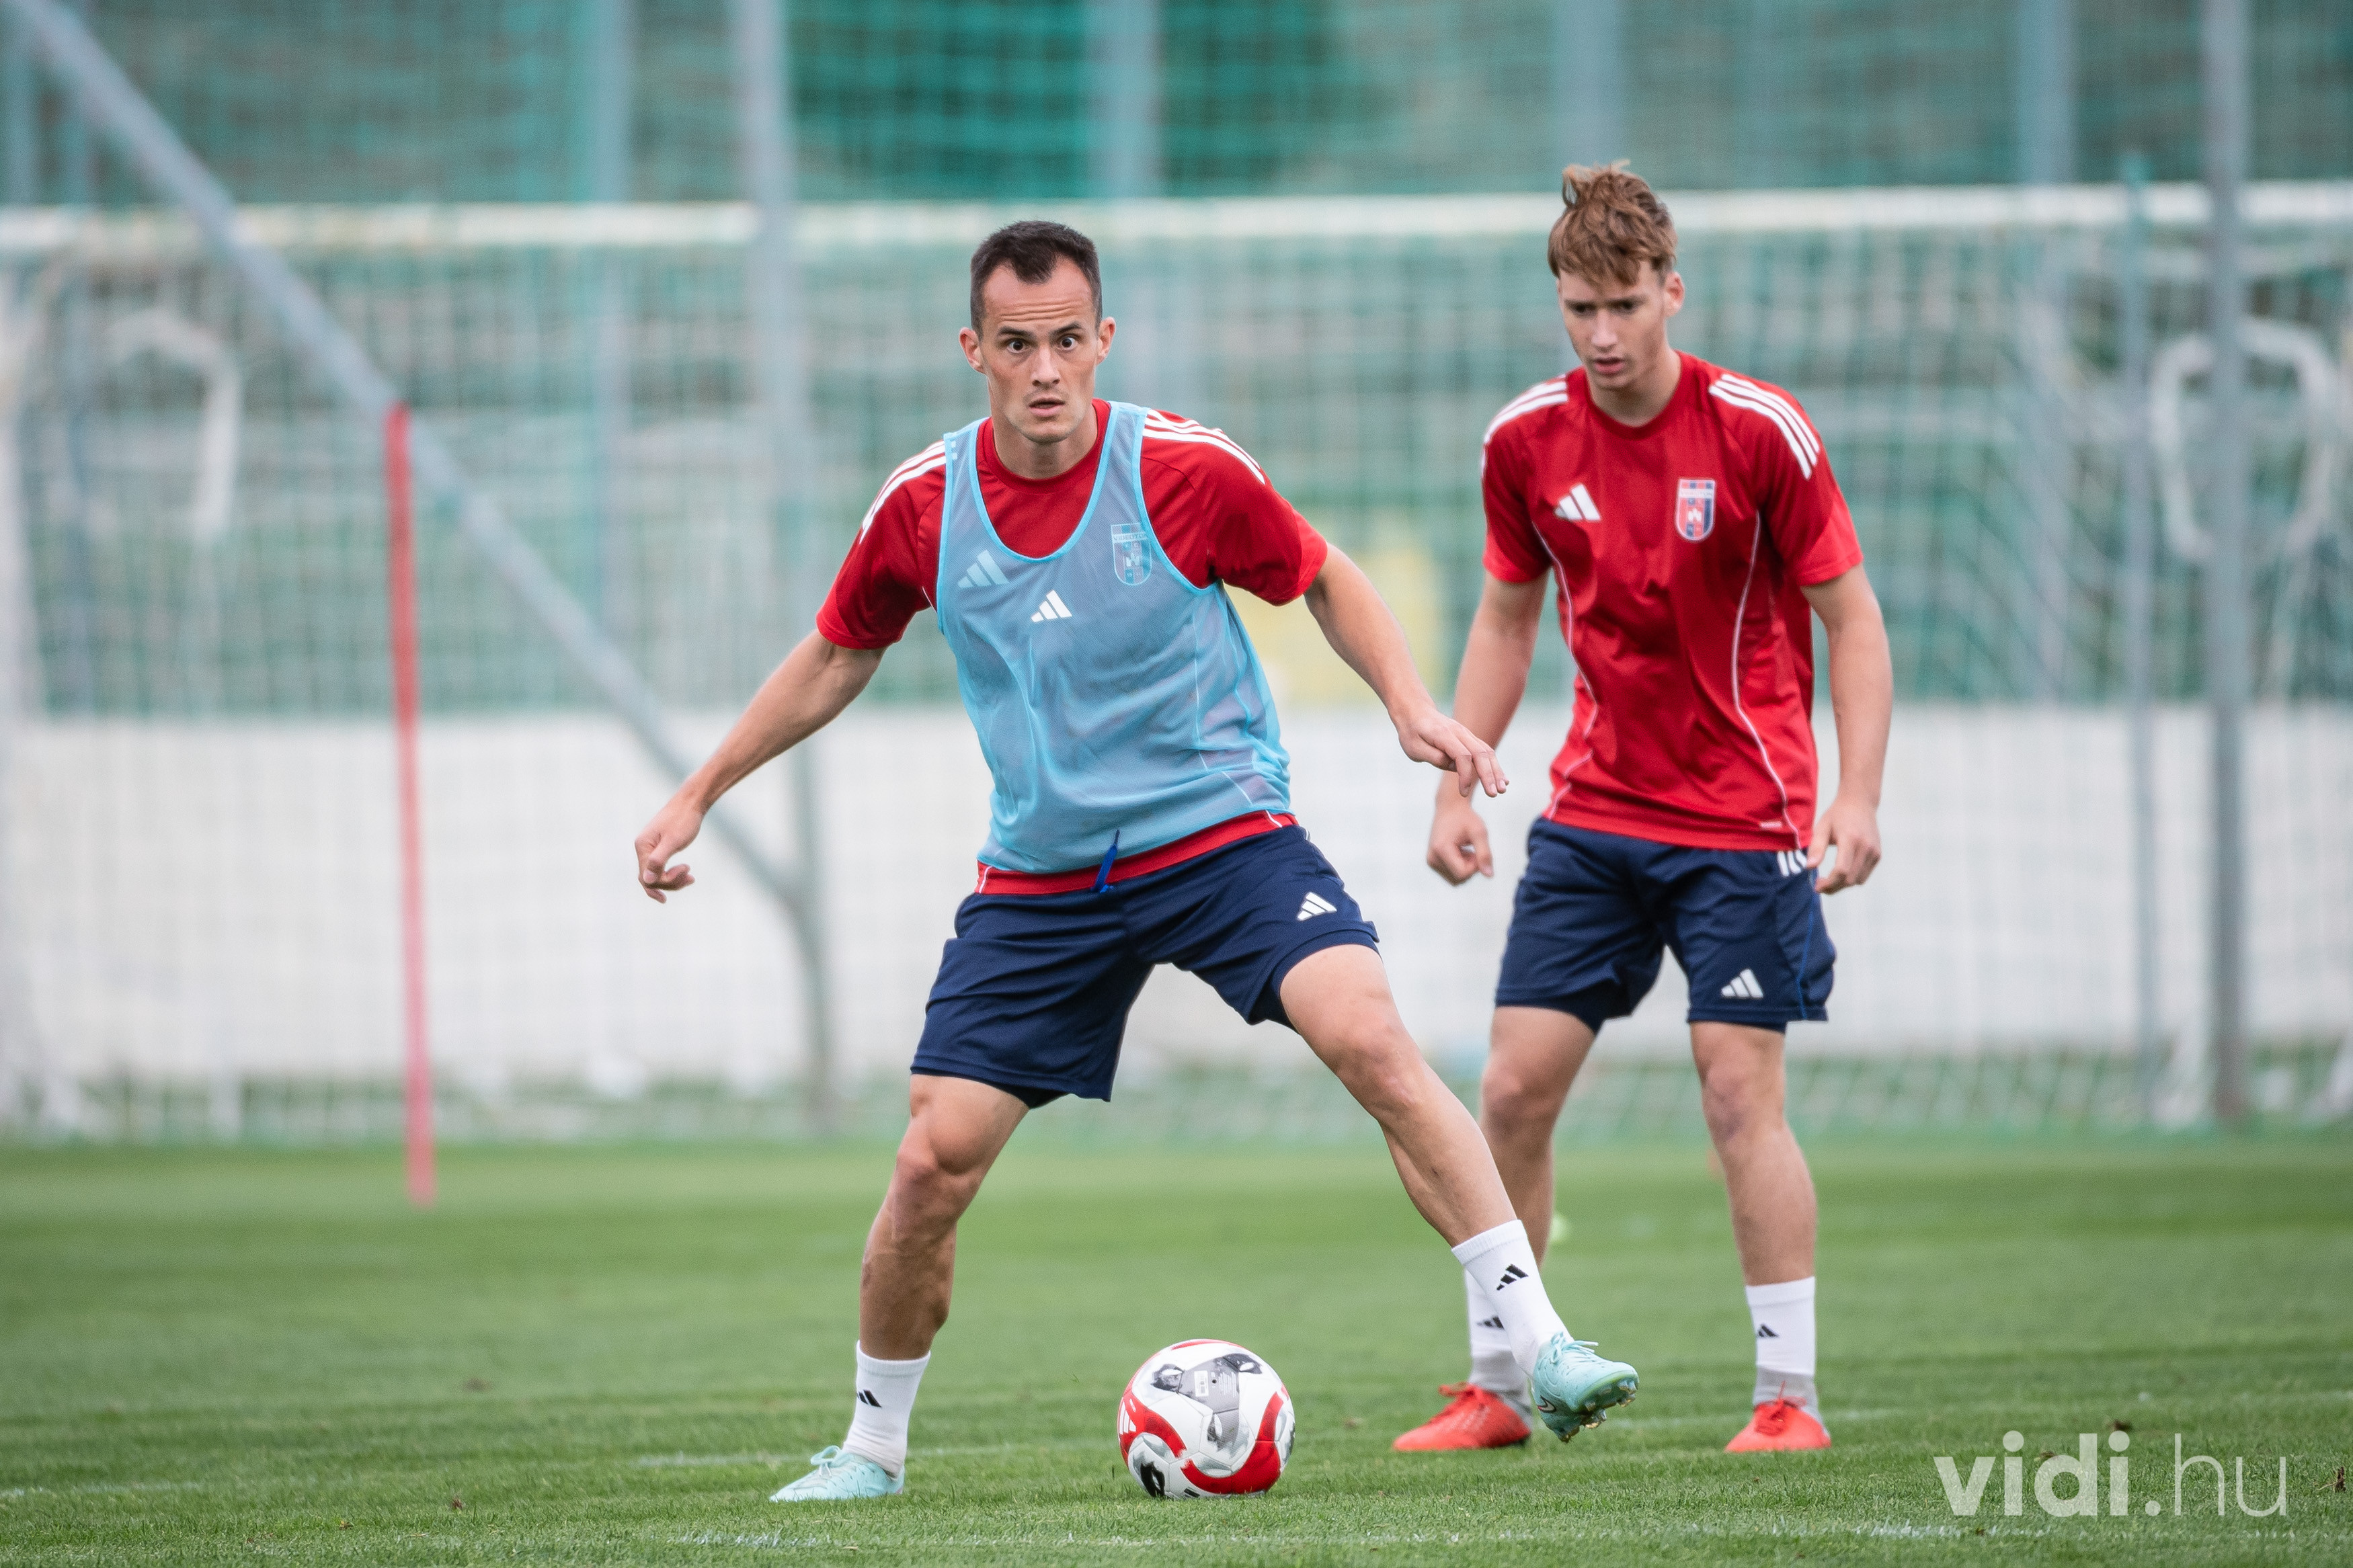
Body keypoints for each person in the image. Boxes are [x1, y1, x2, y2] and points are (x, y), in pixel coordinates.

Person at [633, 220, 1641, 1501]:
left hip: (1220, 835)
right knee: (931, 1162)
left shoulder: (1182, 469)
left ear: (1104, 339)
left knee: (1372, 1039)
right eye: (1017, 346)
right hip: (1044, 878)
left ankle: (1540, 1341)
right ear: (973, 351)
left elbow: (1324, 576)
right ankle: (872, 1451)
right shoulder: (926, 506)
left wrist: (1408, 706)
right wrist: (698, 792)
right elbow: (839, 652)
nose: (1046, 369)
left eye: (1068, 340)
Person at [1391, 167, 1891, 1457]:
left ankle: (1787, 1399)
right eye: (1580, 308)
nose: (1602, 334)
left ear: (1674, 291)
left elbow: (1851, 619)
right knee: (1511, 1091)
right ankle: (1501, 1383)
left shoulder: (1760, 431)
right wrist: (1457, 780)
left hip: (1746, 820)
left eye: (1624, 305)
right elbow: (1506, 621)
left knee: (1736, 1096)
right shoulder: (1524, 441)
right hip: (1595, 815)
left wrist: (1857, 792)